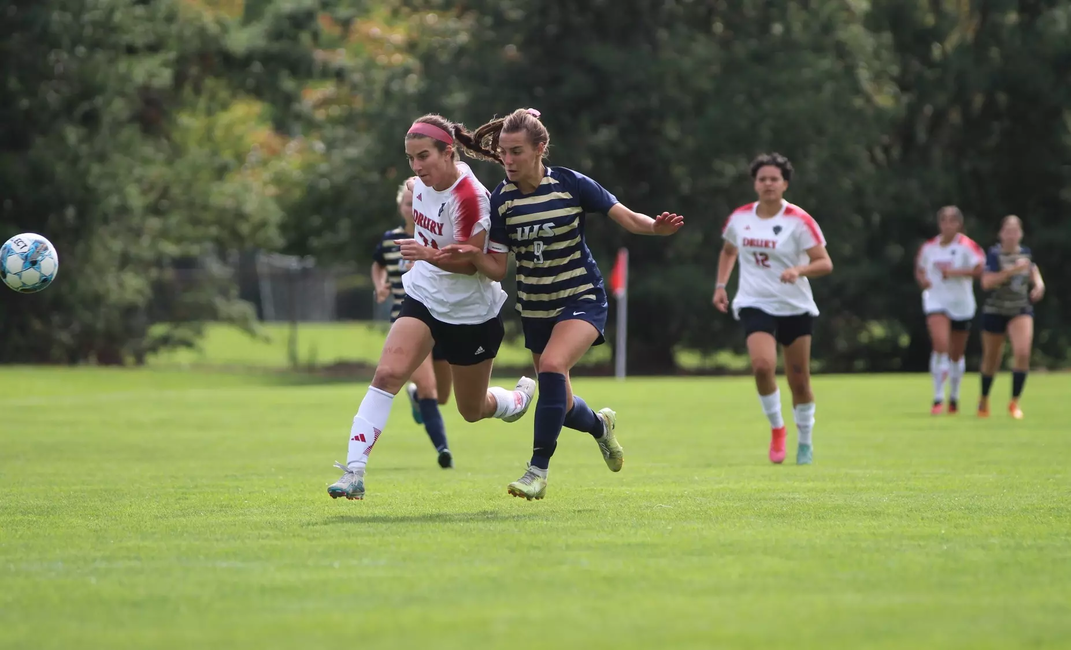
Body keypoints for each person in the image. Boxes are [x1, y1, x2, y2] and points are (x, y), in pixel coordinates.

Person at [441, 107, 684, 500]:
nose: (507, 160)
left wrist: (655, 227)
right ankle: (601, 427)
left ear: (540, 149)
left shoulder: (571, 184)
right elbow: (498, 267)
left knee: (552, 368)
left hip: (581, 296)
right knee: (564, 402)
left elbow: (625, 216)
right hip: (536, 309)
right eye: (503, 151)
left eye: (516, 151)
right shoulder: (501, 200)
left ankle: (536, 472)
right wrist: (465, 254)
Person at [328, 114, 537, 501]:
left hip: (470, 311)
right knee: (387, 375)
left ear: (448, 152)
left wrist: (428, 253)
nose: (417, 167)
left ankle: (516, 400)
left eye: (424, 156)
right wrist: (424, 259)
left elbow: (470, 262)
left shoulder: (471, 197)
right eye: (411, 158)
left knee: (471, 410)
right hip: (424, 296)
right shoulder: (417, 185)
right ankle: (353, 473)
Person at [712, 153, 833, 466]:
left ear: (785, 184)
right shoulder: (740, 218)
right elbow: (728, 251)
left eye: (774, 179)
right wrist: (721, 286)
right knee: (763, 366)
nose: (767, 184)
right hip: (755, 302)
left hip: (795, 305)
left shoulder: (799, 220)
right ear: (755, 183)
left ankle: (804, 441)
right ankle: (778, 428)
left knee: (799, 380)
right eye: (762, 178)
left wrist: (798, 271)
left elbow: (824, 263)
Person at [370, 178, 456, 469]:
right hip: (408, 322)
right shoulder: (389, 240)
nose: (411, 207)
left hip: (442, 322)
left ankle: (416, 398)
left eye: (414, 202)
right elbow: (378, 262)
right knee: (430, 389)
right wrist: (380, 285)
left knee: (443, 396)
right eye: (407, 203)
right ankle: (443, 450)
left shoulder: (435, 237)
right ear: (402, 208)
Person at [915, 206, 985, 415]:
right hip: (936, 300)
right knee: (940, 344)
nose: (947, 225)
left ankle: (954, 396)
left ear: (959, 224)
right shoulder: (930, 247)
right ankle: (938, 397)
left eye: (952, 221)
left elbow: (980, 268)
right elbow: (920, 268)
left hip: (961, 304)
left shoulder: (967, 246)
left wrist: (955, 272)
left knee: (956, 353)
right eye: (944, 220)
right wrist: (923, 280)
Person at [978, 215, 1044, 419]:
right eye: (1008, 230)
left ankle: (1014, 402)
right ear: (1001, 233)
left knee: (1023, 353)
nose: (1012, 235)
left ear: (1021, 234)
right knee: (991, 359)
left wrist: (1039, 284)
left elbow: (1032, 269)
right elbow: (986, 282)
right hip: (995, 310)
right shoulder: (994, 255)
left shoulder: (1025, 254)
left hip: (1019, 310)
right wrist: (1011, 271)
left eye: (1016, 231)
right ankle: (984, 398)